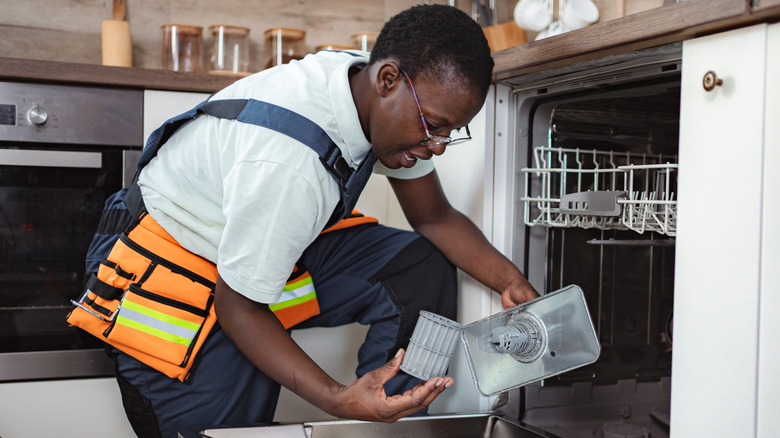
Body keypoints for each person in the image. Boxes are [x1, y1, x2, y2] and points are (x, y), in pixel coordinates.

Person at [84, 4, 538, 437]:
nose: (437, 146)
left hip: (249, 249)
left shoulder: (367, 86)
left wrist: (509, 280)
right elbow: (238, 306)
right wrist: (337, 398)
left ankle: (385, 414)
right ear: (388, 80)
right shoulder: (291, 163)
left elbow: (434, 215)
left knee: (416, 268)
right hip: (174, 272)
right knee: (231, 433)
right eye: (433, 126)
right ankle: (358, 403)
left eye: (449, 134)